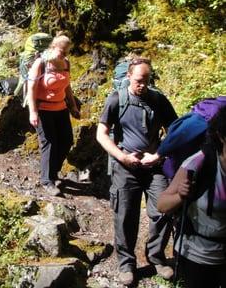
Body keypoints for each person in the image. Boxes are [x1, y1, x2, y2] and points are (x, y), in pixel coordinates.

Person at [96, 57, 178, 286]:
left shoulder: (159, 100)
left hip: (154, 166)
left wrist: (159, 154)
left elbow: (174, 130)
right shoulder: (117, 99)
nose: (143, 84)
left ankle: (156, 256)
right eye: (140, 80)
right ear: (129, 76)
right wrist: (121, 156)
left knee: (163, 210)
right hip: (126, 167)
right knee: (125, 215)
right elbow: (101, 134)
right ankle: (126, 263)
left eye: (147, 80)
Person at [158, 106, 226, 288]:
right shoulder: (200, 162)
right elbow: (162, 204)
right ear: (221, 137)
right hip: (198, 256)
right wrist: (181, 195)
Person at [27, 34, 80, 196]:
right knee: (49, 143)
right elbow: (31, 89)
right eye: (62, 51)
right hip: (43, 110)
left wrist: (73, 106)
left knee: (66, 141)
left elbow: (67, 87)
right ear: (53, 47)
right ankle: (47, 180)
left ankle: (52, 171)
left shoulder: (65, 63)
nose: (64, 55)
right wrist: (33, 112)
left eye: (67, 52)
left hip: (61, 108)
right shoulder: (41, 64)